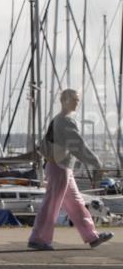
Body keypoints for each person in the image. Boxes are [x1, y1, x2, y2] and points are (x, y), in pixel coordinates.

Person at [28, 88, 114, 250]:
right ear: (65, 101)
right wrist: (96, 163)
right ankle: (38, 239)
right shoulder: (65, 121)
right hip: (59, 168)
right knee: (52, 204)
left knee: (76, 204)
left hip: (63, 167)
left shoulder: (60, 119)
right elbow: (78, 145)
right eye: (74, 99)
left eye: (78, 99)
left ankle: (91, 236)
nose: (77, 102)